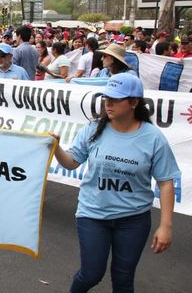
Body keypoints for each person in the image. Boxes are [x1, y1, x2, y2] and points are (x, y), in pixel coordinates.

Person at [51, 73, 179, 293]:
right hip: (92, 215)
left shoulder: (153, 138)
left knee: (123, 279)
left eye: (116, 98)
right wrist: (56, 148)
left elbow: (166, 182)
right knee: (91, 274)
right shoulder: (93, 129)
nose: (108, 103)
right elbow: (71, 163)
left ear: (134, 102)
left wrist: (166, 225)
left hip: (133, 219)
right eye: (106, 97)